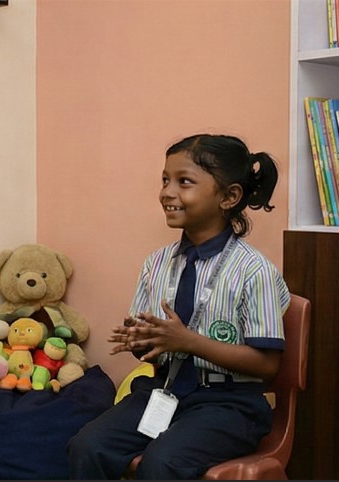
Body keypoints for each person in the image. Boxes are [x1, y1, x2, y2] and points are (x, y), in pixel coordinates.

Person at [67, 133, 290, 480]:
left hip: (229, 404)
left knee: (163, 462)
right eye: (165, 180)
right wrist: (143, 343)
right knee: (87, 445)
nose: (167, 192)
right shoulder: (157, 263)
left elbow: (267, 365)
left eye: (184, 182)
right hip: (165, 392)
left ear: (229, 196)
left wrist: (188, 341)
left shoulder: (253, 270)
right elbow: (155, 352)